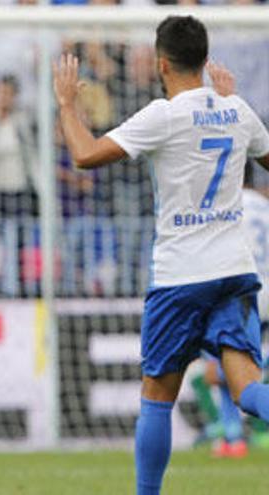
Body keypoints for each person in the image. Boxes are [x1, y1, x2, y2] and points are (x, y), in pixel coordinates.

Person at [52, 16, 269, 495]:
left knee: (157, 398)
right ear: (204, 58)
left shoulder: (162, 116)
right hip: (234, 271)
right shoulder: (238, 111)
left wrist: (68, 105)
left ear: (162, 63)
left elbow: (85, 154)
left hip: (180, 278)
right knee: (250, 391)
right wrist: (233, 105)